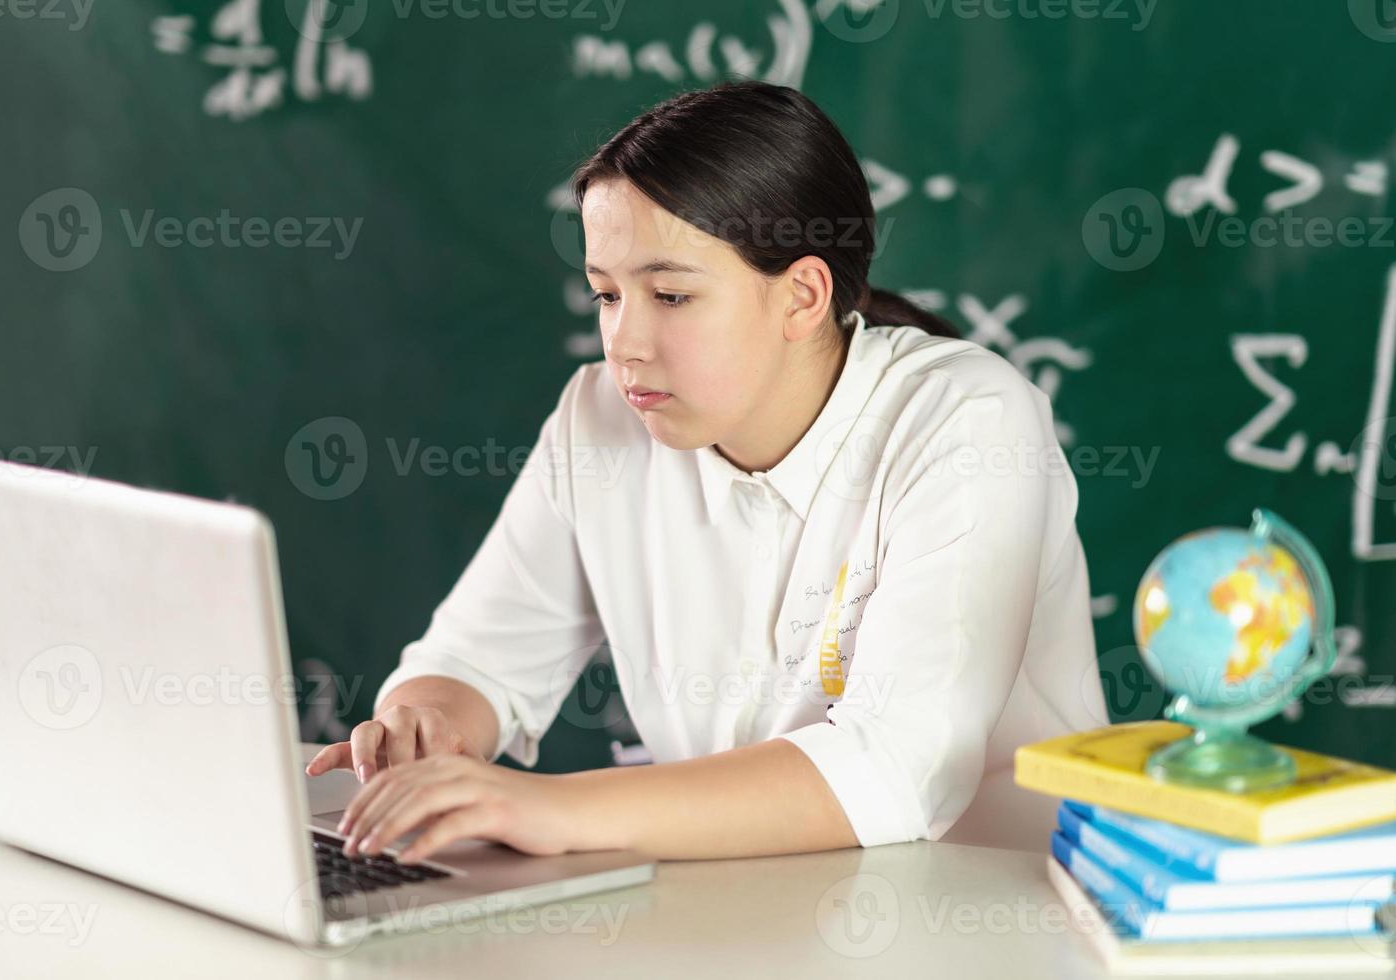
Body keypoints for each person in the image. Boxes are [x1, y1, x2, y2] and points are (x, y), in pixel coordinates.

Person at [306, 80, 1108, 863]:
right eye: (606, 294)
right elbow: (476, 662)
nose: (623, 342)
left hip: (987, 918)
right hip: (741, 909)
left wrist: (546, 805)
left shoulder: (968, 419)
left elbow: (895, 770)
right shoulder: (600, 419)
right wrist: (427, 724)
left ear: (801, 295)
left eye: (671, 295)